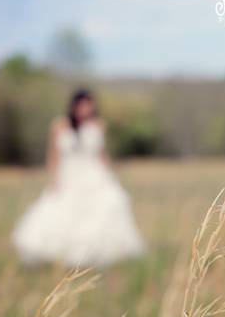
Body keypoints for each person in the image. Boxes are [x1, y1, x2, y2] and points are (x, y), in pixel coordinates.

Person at [11, 89, 145, 268]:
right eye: (82, 104)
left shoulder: (98, 125)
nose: (86, 108)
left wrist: (111, 174)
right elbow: (53, 155)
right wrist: (53, 179)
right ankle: (62, 256)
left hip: (94, 176)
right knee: (61, 212)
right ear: (74, 106)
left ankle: (91, 256)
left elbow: (102, 154)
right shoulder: (59, 125)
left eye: (89, 104)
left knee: (102, 211)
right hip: (69, 176)